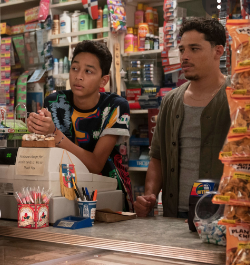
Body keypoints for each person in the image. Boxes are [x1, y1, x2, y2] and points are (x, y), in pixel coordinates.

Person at [134, 18, 231, 218]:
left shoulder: (237, 98)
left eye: (194, 49)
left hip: (222, 217)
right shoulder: (170, 101)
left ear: (218, 51)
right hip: (174, 215)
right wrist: (149, 196)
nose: (185, 56)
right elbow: (157, 157)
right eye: (182, 49)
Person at [27, 40, 133, 211]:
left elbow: (96, 164)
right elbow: (47, 153)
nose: (79, 76)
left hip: (106, 195)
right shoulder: (54, 101)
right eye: (75, 68)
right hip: (62, 191)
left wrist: (55, 135)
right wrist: (35, 128)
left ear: (103, 80)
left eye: (88, 71)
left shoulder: (115, 107)